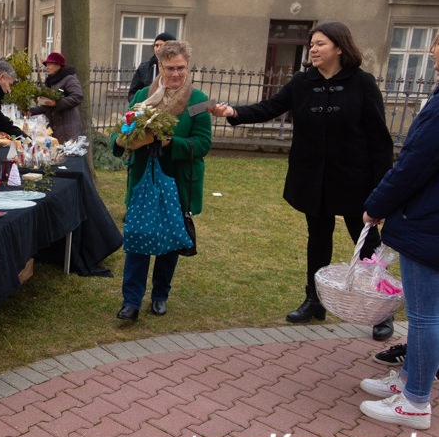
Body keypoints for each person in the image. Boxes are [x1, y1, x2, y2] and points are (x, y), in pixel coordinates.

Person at [209, 21, 395, 341]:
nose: (313, 48)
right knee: (317, 239)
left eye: (320, 43)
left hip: (355, 179)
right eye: (311, 43)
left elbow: (380, 140)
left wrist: (381, 188)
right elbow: (270, 107)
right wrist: (234, 112)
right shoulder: (302, 82)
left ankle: (382, 310)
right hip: (313, 178)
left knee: (366, 243)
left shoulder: (362, 84)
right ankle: (315, 300)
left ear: (339, 47)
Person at [359, 32, 439, 429]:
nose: (432, 50)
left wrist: (377, 205)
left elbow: (412, 164)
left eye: (438, 43)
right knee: (431, 314)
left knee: (426, 317)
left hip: (428, 222)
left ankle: (415, 402)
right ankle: (409, 381)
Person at [113, 40, 212, 320]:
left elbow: (203, 143)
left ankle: (160, 294)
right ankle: (131, 300)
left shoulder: (197, 101)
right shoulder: (144, 95)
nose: (176, 74)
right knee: (138, 236)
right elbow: (125, 126)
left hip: (177, 180)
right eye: (170, 68)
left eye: (181, 68)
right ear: (160, 67)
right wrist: (120, 142)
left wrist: (173, 143)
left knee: (169, 240)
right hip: (145, 177)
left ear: (187, 67)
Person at [29, 52, 84, 143]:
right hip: (55, 128)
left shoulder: (69, 79)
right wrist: (31, 111)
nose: (47, 67)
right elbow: (47, 106)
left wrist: (56, 103)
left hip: (68, 129)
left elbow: (77, 97)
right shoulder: (51, 82)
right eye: (46, 64)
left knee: (66, 155)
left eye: (50, 64)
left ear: (58, 65)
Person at [128, 31, 176, 96]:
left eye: (162, 45)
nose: (158, 49)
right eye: (156, 45)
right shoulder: (144, 68)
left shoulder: (178, 68)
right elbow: (133, 92)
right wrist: (140, 104)